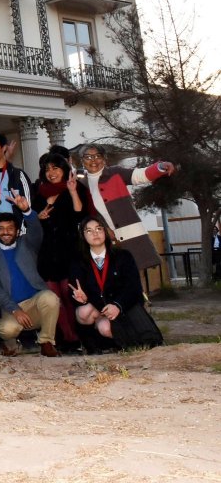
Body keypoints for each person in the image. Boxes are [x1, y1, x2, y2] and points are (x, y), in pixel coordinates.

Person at [69, 215, 163, 351]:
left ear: (106, 232)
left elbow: (133, 287)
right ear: (83, 236)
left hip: (124, 306)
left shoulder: (123, 256)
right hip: (100, 307)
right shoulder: (78, 261)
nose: (95, 233)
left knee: (106, 327)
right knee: (83, 312)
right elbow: (76, 290)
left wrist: (117, 305)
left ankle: (130, 343)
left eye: (98, 229)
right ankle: (93, 344)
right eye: (89, 230)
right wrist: (82, 300)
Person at [77, 142, 175, 271]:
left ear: (104, 158)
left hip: (129, 234)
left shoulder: (115, 173)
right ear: (82, 160)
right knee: (109, 277)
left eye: (98, 156)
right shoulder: (80, 182)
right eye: (88, 157)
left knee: (133, 274)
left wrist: (160, 167)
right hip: (102, 238)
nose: (93, 160)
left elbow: (141, 175)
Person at [0, 198, 62, 357]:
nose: (6, 232)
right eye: (1, 229)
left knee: (50, 298)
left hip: (34, 304)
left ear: (18, 231)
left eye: (10, 228)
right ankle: (11, 344)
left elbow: (36, 230)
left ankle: (46, 341)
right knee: (7, 330)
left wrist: (27, 211)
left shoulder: (27, 244)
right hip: (8, 308)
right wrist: (15, 309)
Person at [31, 152, 87, 347]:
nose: (51, 172)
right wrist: (38, 218)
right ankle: (66, 339)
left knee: (70, 295)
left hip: (69, 252)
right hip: (47, 254)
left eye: (55, 168)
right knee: (55, 300)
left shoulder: (75, 188)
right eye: (47, 169)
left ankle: (81, 337)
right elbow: (31, 222)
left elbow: (80, 216)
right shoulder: (40, 193)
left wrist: (72, 192)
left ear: (64, 169)